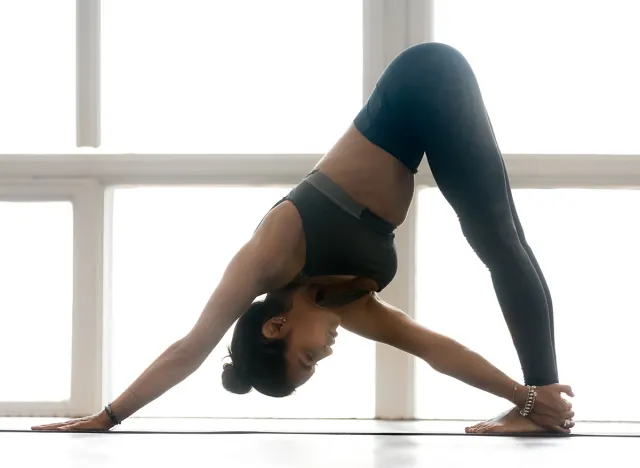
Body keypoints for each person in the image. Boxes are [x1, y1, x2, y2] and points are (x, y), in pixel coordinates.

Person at [32, 42, 574, 434]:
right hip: (428, 110)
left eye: (306, 359)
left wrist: (108, 416)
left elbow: (189, 349)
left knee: (498, 240)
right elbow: (437, 350)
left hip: (421, 82)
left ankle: (542, 405)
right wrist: (517, 396)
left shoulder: (270, 254)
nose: (325, 355)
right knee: (500, 240)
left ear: (275, 325)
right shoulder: (351, 305)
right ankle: (542, 402)